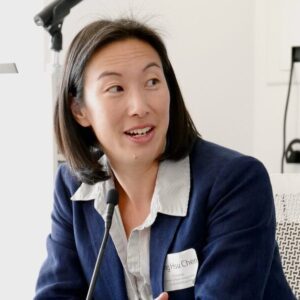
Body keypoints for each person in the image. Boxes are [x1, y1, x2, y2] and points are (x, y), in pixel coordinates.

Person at [35, 18, 296, 300]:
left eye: (152, 82)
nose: (140, 106)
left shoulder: (237, 182)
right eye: (116, 88)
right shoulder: (72, 186)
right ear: (79, 110)